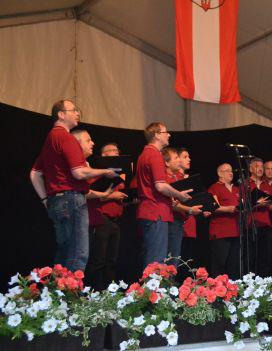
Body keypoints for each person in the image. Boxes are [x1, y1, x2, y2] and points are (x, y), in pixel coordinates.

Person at [30, 100, 118, 271]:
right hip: (72, 200)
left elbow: (34, 174)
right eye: (74, 110)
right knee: (78, 254)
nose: (78, 114)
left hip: (56, 201)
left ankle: (58, 288)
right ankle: (71, 288)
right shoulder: (66, 137)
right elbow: (79, 172)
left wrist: (45, 200)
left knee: (64, 254)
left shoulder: (50, 139)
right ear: (61, 114)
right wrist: (105, 171)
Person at [136, 122, 192, 267]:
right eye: (165, 132)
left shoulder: (144, 154)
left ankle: (152, 282)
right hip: (156, 211)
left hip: (151, 210)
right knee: (157, 260)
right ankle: (152, 283)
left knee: (155, 259)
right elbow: (160, 185)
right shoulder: (154, 155)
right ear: (156, 135)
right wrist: (179, 195)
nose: (169, 135)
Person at [86, 142, 129, 290]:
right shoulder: (96, 173)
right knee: (99, 259)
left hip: (116, 220)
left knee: (112, 260)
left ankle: (109, 292)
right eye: (112, 150)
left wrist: (128, 199)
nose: (116, 152)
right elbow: (89, 195)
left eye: (117, 150)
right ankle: (94, 291)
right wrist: (112, 196)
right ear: (104, 155)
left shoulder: (119, 174)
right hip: (101, 219)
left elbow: (119, 197)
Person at [163, 147, 203, 266]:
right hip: (172, 221)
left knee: (176, 259)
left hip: (180, 221)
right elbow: (171, 204)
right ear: (167, 162)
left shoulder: (177, 177)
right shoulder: (165, 179)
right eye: (177, 158)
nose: (180, 161)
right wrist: (189, 209)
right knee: (171, 259)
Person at [208, 163, 241, 279]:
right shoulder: (215, 188)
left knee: (233, 264)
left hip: (236, 231)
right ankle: (217, 288)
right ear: (219, 173)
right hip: (220, 231)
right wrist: (229, 209)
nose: (231, 173)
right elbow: (213, 207)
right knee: (219, 263)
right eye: (227, 171)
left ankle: (232, 287)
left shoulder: (237, 189)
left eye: (231, 170)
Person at [248, 158, 272, 277]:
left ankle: (265, 282)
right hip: (251, 224)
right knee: (252, 256)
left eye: (261, 167)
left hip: (266, 224)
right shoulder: (245, 184)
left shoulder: (266, 184)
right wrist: (256, 204)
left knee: (266, 256)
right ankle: (251, 282)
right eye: (257, 166)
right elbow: (242, 205)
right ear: (250, 169)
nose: (260, 169)